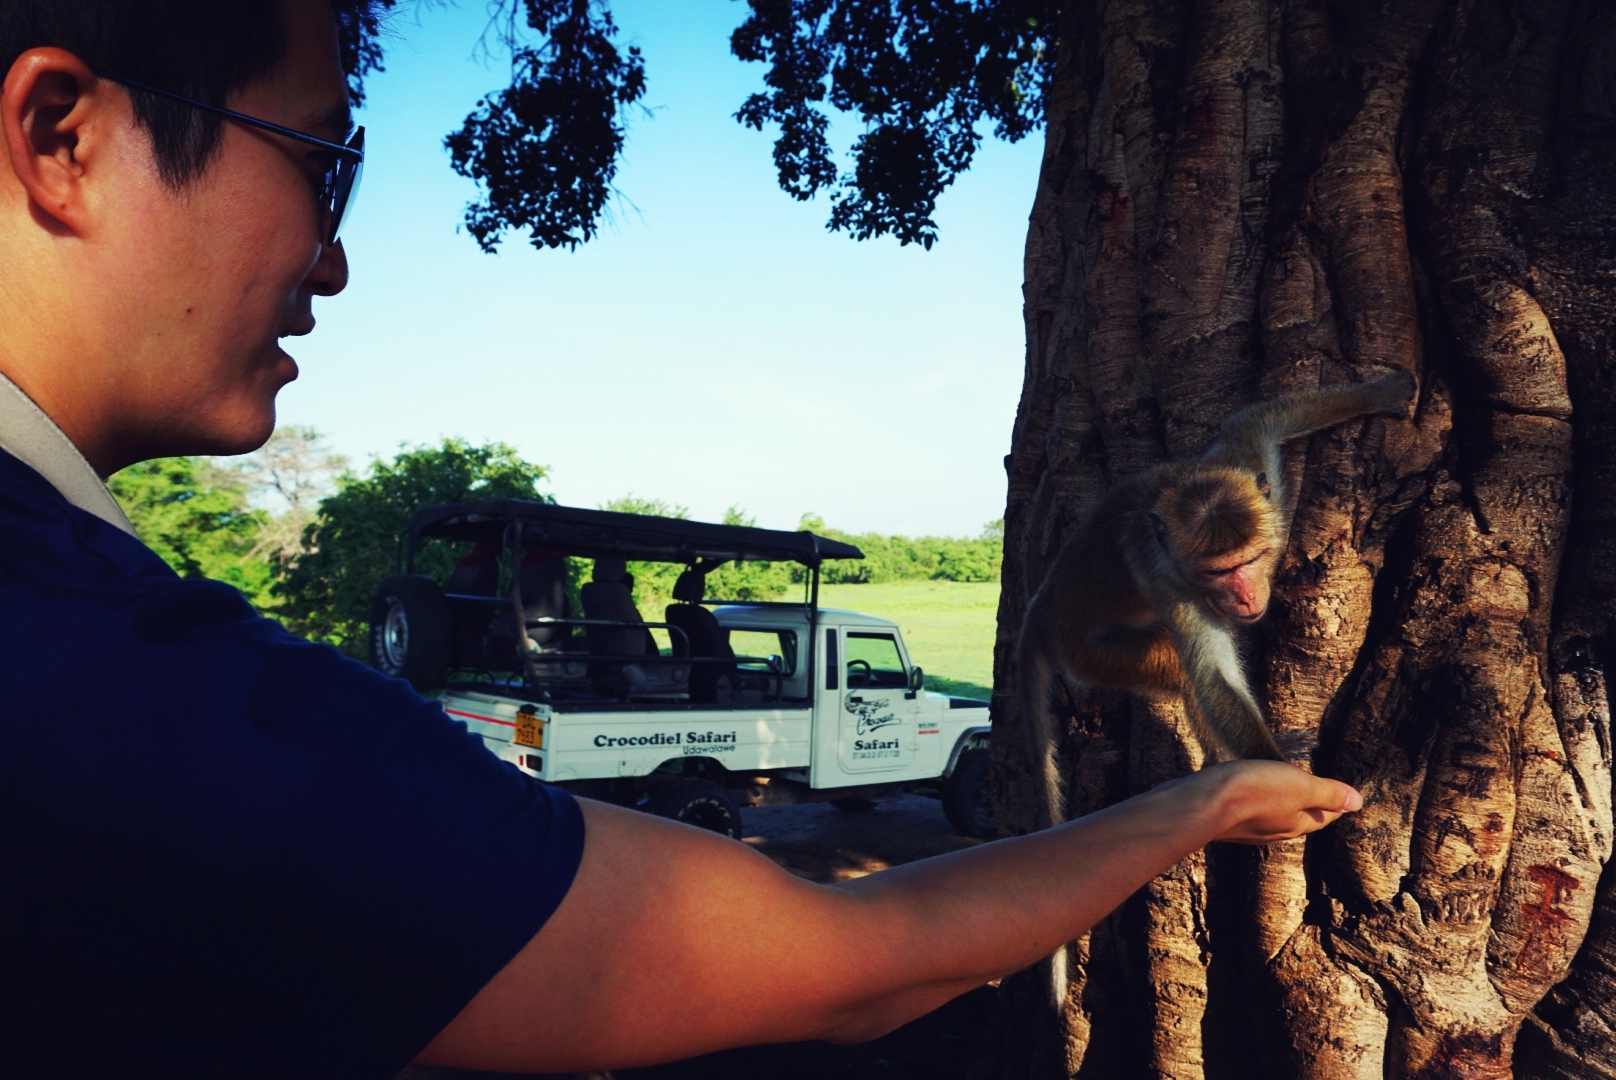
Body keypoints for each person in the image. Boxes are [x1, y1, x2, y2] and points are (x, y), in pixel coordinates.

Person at [0, 1, 1363, 1077]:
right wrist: (1203, 802)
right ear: (63, 136)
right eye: (322, 158)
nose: (335, 256)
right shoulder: (124, 698)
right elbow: (849, 964)